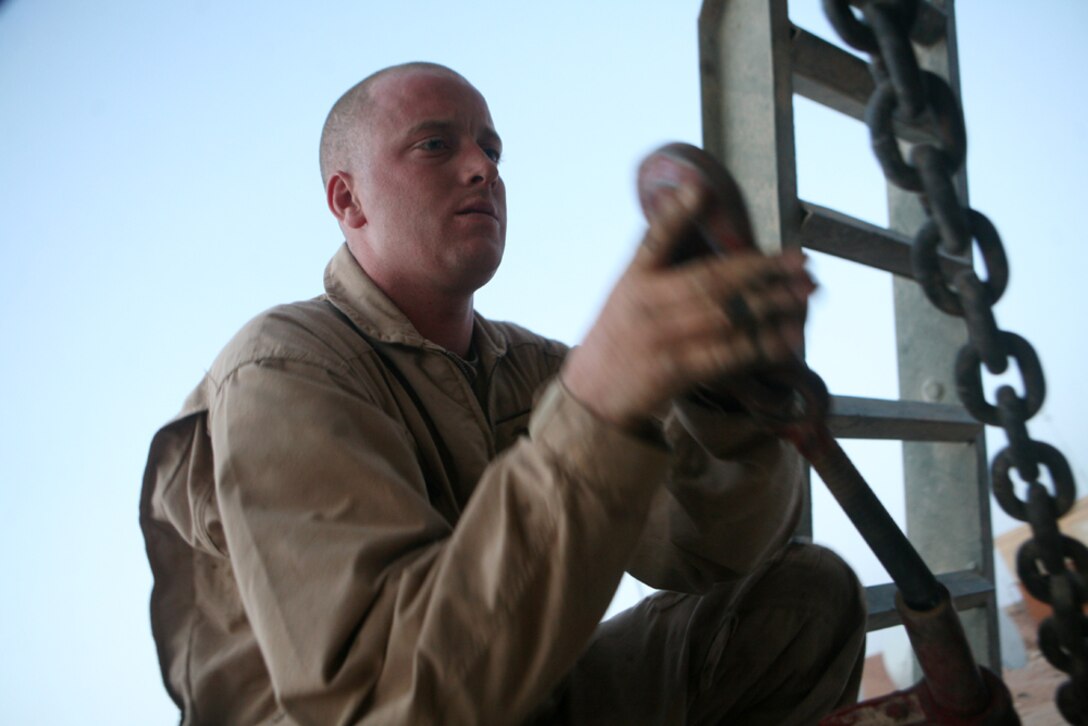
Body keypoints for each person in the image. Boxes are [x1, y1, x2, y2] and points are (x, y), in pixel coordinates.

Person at [140, 61, 866, 725]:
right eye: (435, 145)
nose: (481, 168)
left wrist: (722, 400)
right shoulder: (281, 368)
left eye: (492, 149)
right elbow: (385, 697)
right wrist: (598, 404)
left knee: (805, 602)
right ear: (347, 198)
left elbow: (705, 551)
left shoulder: (525, 365)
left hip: (513, 698)